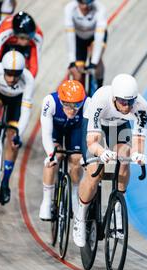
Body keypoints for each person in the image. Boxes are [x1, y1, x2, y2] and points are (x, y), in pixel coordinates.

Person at [73, 73, 147, 247]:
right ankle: (80, 217)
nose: (127, 106)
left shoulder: (141, 106)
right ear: (114, 97)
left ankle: (117, 209)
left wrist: (137, 153)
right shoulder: (100, 99)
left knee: (125, 157)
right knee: (93, 172)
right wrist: (101, 152)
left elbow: (139, 138)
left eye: (131, 102)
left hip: (119, 126)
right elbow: (92, 142)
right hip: (96, 124)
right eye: (123, 102)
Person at [0, 50, 35, 205]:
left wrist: (19, 133)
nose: (12, 79)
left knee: (13, 139)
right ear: (3, 70)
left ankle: (5, 182)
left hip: (16, 103)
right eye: (9, 74)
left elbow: (26, 111)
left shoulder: (28, 79)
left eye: (15, 75)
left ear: (22, 72)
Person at [39, 80, 88, 221]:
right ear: (60, 101)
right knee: (55, 158)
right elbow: (46, 134)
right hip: (56, 129)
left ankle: (74, 194)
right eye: (67, 105)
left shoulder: (88, 103)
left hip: (77, 129)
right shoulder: (50, 101)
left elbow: (89, 134)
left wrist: (85, 156)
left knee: (76, 159)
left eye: (76, 105)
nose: (72, 110)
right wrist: (51, 154)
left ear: (82, 101)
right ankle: (47, 201)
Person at [65, 0, 107, 89]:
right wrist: (72, 62)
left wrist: (94, 63)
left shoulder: (100, 9)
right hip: (79, 39)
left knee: (97, 58)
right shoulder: (69, 8)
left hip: (95, 37)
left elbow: (99, 37)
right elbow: (70, 36)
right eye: (81, 2)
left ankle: (100, 86)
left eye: (87, 3)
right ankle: (81, 95)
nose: (84, 6)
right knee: (77, 73)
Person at [0, 11, 43, 78]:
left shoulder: (38, 36)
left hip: (25, 47)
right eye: (22, 38)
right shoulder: (5, 31)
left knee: (24, 65)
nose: (26, 42)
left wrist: (28, 82)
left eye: (29, 38)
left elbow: (34, 65)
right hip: (7, 43)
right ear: (15, 33)